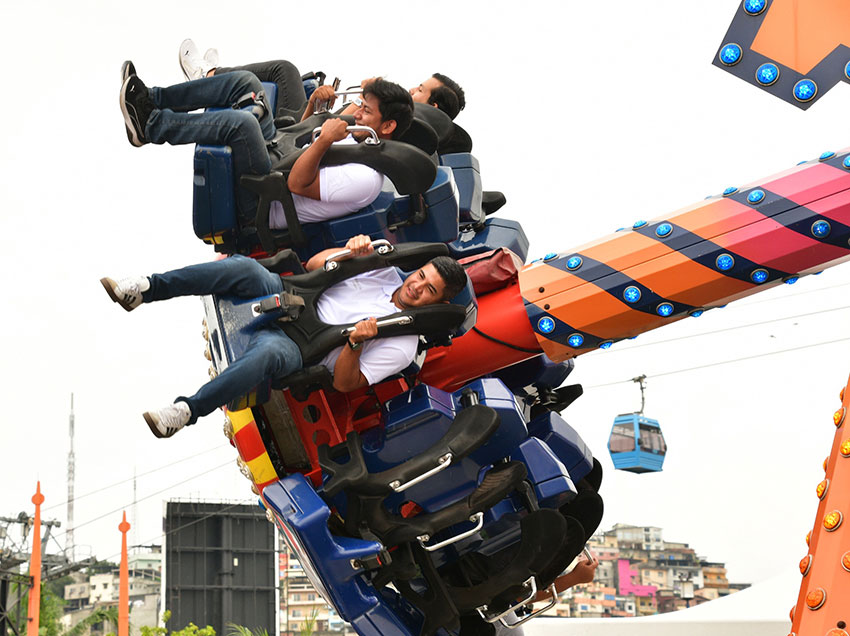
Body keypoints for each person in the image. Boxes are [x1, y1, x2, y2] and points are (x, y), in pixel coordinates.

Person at [100, 235, 467, 439]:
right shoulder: (383, 271)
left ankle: (185, 412)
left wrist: (356, 343)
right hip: (289, 295)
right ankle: (146, 289)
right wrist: (351, 252)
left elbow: (345, 383)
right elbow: (315, 265)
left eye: (429, 289)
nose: (417, 286)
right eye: (421, 276)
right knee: (244, 267)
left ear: (439, 302)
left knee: (267, 356)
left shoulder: (403, 345)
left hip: (302, 346)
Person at [119, 62, 413, 229]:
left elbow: (297, 183)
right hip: (278, 154)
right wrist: (313, 107)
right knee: (245, 82)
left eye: (366, 111)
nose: (357, 113)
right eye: (361, 106)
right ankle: (151, 100)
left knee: (242, 124)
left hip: (265, 198)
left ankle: (151, 126)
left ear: (388, 126)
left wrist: (325, 139)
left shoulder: (366, 177)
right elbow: (300, 135)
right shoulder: (361, 134)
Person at [178, 38, 466, 121]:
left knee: (284, 70)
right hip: (314, 124)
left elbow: (344, 123)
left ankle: (208, 76)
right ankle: (216, 77)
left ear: (434, 106)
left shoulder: (398, 118)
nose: (413, 88)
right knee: (304, 82)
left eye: (421, 89)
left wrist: (366, 95)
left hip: (296, 129)